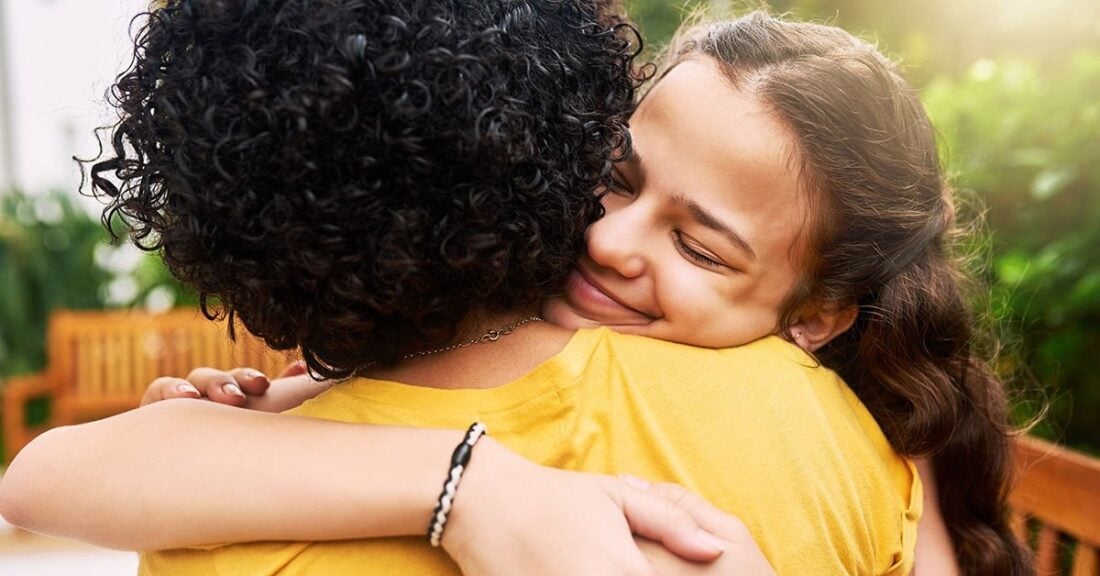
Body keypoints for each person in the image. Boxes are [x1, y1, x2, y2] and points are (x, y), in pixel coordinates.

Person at [0, 3, 1026, 575]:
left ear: (814, 315)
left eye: (700, 248)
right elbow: (44, 481)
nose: (614, 241)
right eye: (615, 177)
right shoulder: (833, 436)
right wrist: (454, 476)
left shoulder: (891, 431)